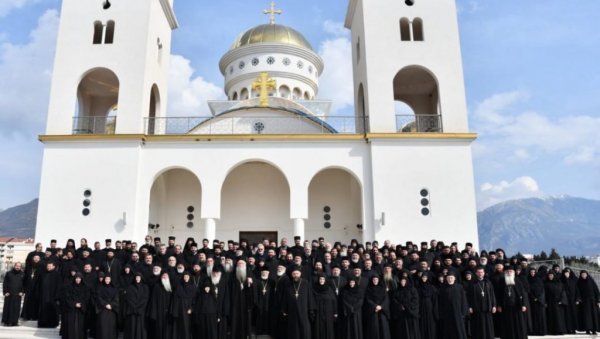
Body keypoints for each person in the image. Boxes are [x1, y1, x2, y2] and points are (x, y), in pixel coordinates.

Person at [194, 265, 228, 339]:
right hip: (211, 309)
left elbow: (226, 296)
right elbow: (205, 284)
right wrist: (206, 286)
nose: (215, 274)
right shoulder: (208, 279)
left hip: (221, 307)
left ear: (220, 273)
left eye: (217, 272)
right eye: (214, 272)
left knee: (220, 329)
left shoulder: (224, 281)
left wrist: (225, 309)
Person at [282, 265, 315, 339]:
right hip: (292, 311)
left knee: (304, 328)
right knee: (294, 329)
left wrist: (311, 309)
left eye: (297, 273)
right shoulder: (288, 284)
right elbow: (285, 298)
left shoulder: (306, 283)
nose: (295, 275)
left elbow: (310, 297)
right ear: (291, 275)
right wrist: (284, 309)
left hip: (304, 311)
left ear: (300, 274)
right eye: (294, 274)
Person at [496, 265, 528, 339]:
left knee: (518, 324)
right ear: (504, 272)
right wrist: (499, 305)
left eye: (510, 271)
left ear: (513, 272)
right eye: (507, 272)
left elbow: (522, 294)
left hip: (517, 307)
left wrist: (523, 305)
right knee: (507, 324)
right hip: (505, 307)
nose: (509, 273)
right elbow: (498, 294)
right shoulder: (501, 281)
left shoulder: (517, 280)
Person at [466, 266, 496, 339]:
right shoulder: (472, 283)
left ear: (484, 273)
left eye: (481, 272)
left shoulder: (488, 282)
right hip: (477, 309)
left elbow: (492, 294)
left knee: (488, 326)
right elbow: (468, 296)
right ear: (476, 273)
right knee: (478, 326)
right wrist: (469, 307)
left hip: (487, 308)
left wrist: (494, 305)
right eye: (478, 272)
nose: (480, 274)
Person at [229, 259, 255, 339]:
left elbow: (254, 289)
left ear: (245, 265)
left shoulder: (249, 274)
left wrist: (251, 284)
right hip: (235, 302)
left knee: (245, 320)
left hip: (245, 302)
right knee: (235, 320)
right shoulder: (232, 275)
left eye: (242, 263)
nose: (240, 264)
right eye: (239, 263)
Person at [438, 272, 468, 339]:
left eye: (451, 278)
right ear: (446, 279)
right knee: (449, 329)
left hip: (458, 312)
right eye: (448, 278)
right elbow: (441, 302)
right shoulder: (443, 288)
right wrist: (441, 312)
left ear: (454, 278)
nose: (450, 279)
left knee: (459, 328)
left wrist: (463, 311)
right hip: (447, 312)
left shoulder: (459, 287)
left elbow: (463, 300)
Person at [62, 273, 90, 339]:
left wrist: (81, 304)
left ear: (81, 279)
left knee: (81, 324)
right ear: (74, 279)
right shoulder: (69, 287)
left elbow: (87, 298)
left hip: (81, 308)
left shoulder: (85, 287)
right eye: (76, 278)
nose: (78, 280)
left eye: (79, 278)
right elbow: (67, 297)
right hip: (71, 308)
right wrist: (74, 304)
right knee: (71, 323)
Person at [147, 272, 175, 339]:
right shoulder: (157, 286)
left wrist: (172, 311)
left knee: (168, 330)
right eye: (163, 275)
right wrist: (153, 313)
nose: (164, 277)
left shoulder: (171, 287)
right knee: (158, 330)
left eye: (166, 275)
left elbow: (173, 301)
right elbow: (153, 300)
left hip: (168, 313)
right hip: (159, 313)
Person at [171, 272, 197, 339]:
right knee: (179, 327)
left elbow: (195, 299)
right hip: (180, 309)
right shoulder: (179, 287)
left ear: (189, 278)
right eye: (184, 277)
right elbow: (175, 299)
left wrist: (191, 308)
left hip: (189, 310)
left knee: (188, 327)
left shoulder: (193, 287)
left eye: (187, 277)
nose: (186, 278)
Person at [123, 272, 149, 339]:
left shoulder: (145, 287)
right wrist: (134, 307)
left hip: (141, 311)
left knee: (141, 326)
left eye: (139, 277)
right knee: (132, 326)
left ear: (141, 278)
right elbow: (128, 298)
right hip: (132, 310)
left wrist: (139, 308)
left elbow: (145, 299)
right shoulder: (130, 287)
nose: (137, 279)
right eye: (136, 277)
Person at [312, 273, 337, 339]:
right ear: (318, 280)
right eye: (320, 279)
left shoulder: (329, 289)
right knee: (318, 328)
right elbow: (312, 300)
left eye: (323, 279)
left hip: (328, 311)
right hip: (318, 311)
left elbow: (334, 300)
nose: (321, 280)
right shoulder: (314, 289)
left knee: (328, 328)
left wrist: (335, 312)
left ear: (325, 280)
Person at [38, 261, 62, 328]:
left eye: (50, 266)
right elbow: (39, 284)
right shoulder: (43, 274)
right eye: (48, 266)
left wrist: (57, 296)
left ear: (54, 267)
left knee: (52, 310)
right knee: (43, 309)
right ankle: (42, 323)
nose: (48, 267)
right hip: (43, 295)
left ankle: (52, 323)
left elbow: (59, 286)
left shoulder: (57, 274)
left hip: (53, 296)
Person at [576, 270, 599, 335]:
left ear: (587, 275)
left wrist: (598, 300)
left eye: (585, 274)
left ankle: (594, 330)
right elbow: (578, 292)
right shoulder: (579, 282)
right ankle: (588, 329)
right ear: (580, 275)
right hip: (584, 302)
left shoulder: (591, 281)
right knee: (586, 316)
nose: (583, 275)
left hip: (593, 301)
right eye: (582, 274)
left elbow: (596, 290)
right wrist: (579, 299)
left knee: (593, 315)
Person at [2, 262, 24, 327]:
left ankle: (15, 322)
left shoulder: (23, 274)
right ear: (14, 266)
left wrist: (22, 292)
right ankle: (7, 322)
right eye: (17, 266)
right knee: (8, 308)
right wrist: (5, 292)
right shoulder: (9, 273)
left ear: (21, 267)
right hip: (9, 294)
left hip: (18, 294)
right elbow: (5, 283)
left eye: (19, 266)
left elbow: (24, 285)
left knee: (16, 309)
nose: (18, 267)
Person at [255, 266, 275, 336]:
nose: (264, 273)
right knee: (259, 315)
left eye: (266, 272)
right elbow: (255, 292)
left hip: (268, 301)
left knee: (267, 315)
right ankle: (259, 330)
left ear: (268, 273)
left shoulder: (272, 281)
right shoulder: (257, 281)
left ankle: (267, 330)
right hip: (259, 301)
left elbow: (273, 293)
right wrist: (256, 301)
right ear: (261, 272)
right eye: (263, 272)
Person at [416, 273, 437, 339]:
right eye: (423, 277)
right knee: (423, 322)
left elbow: (434, 299)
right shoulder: (419, 287)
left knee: (431, 322)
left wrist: (435, 309)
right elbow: (417, 298)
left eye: (425, 277)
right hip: (422, 306)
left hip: (430, 306)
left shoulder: (432, 287)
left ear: (427, 278)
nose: (424, 278)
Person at [526, 268, 546, 336]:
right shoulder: (528, 280)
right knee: (533, 316)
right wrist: (533, 298)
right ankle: (535, 331)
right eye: (531, 272)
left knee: (540, 316)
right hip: (532, 301)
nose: (532, 273)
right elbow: (528, 291)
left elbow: (542, 290)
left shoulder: (539, 280)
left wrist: (538, 298)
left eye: (534, 272)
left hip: (540, 301)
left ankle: (541, 331)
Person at [21, 255, 42, 321]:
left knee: (35, 302)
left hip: (37, 287)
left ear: (39, 259)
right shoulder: (29, 266)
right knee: (27, 301)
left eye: (37, 258)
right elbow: (25, 278)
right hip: (28, 287)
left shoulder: (42, 267)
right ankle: (26, 315)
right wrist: (23, 289)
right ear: (33, 259)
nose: (36, 259)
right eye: (35, 258)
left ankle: (34, 316)